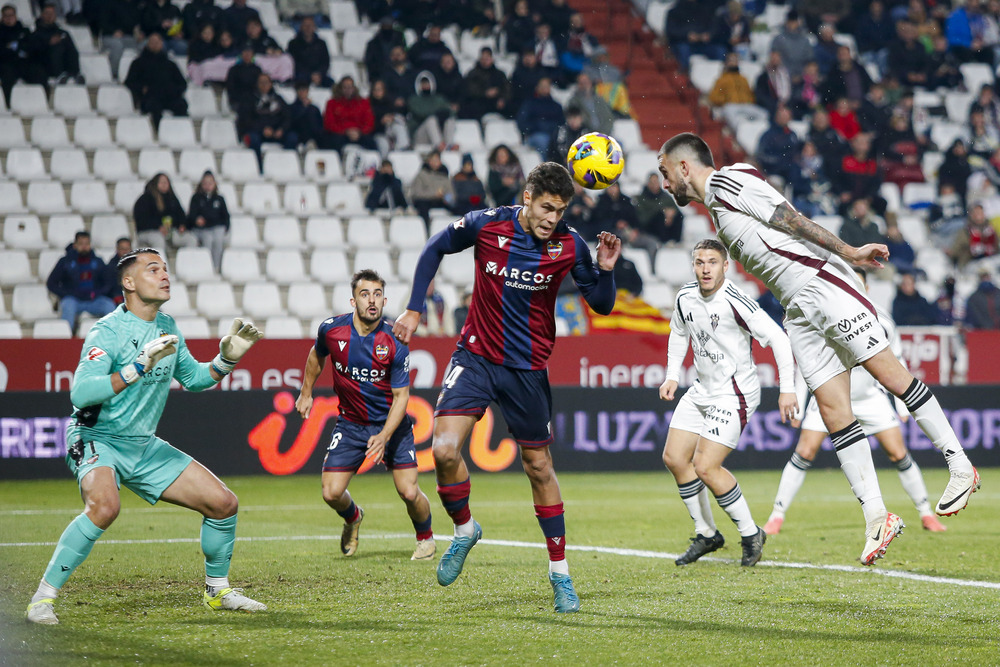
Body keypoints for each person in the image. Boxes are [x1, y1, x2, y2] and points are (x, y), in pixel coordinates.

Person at [657, 132, 979, 566]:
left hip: (823, 286)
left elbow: (790, 219)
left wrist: (850, 251)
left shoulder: (727, 182)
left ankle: (959, 464)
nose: (662, 183)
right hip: (798, 309)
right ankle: (877, 516)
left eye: (663, 172)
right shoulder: (716, 208)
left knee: (889, 374)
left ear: (682, 167)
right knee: (832, 411)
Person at [392, 162, 621, 613]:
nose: (552, 219)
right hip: (475, 357)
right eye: (546, 207)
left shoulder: (570, 244)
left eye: (560, 210)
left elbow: (602, 304)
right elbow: (435, 247)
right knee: (442, 451)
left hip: (528, 368)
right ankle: (464, 531)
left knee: (538, 466)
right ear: (528, 197)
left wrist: (606, 270)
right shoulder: (487, 224)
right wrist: (414, 309)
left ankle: (560, 575)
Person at [25, 248, 265, 625]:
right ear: (129, 282)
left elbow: (194, 380)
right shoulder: (108, 330)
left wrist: (226, 360)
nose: (164, 275)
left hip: (141, 444)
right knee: (105, 506)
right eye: (153, 269)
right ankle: (42, 599)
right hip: (95, 435)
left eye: (166, 268)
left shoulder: (168, 327)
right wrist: (137, 367)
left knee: (223, 504)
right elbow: (81, 394)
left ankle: (217, 591)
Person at [764, 268, 948, 536]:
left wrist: (901, 405)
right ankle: (776, 517)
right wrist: (801, 407)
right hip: (829, 399)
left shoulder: (881, 320)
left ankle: (926, 514)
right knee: (804, 452)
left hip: (869, 398)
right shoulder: (821, 315)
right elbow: (807, 365)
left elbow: (897, 362)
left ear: (866, 289)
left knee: (899, 454)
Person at [660, 239, 796, 567]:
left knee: (706, 466)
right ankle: (707, 533)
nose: (705, 268)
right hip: (701, 389)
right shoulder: (685, 296)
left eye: (711, 262)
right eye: (699, 262)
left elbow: (778, 337)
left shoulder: (736, 301)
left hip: (734, 393)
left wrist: (787, 389)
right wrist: (672, 375)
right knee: (675, 458)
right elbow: (679, 333)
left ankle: (751, 534)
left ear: (725, 266)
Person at [295, 269, 435, 562]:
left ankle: (425, 538)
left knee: (408, 492)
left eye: (378, 294)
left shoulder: (395, 341)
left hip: (392, 428)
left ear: (385, 301)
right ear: (353, 300)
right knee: (331, 493)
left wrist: (384, 436)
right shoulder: (332, 330)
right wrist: (306, 391)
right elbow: (315, 355)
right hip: (351, 425)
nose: (372, 300)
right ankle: (353, 517)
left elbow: (402, 398)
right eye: (365, 294)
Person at [47, 231, 116, 336]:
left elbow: (108, 283)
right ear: (75, 245)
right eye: (81, 244)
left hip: (94, 300)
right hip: (74, 300)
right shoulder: (65, 262)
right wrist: (67, 294)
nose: (84, 247)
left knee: (109, 305)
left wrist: (96, 293)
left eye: (87, 244)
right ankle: (66, 338)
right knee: (67, 305)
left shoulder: (98, 261)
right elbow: (51, 283)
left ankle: (111, 339)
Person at [124, 33, 188, 130]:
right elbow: (129, 82)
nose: (155, 45)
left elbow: (182, 83)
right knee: (154, 107)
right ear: (147, 44)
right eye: (152, 42)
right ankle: (159, 132)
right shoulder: (138, 63)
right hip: (150, 97)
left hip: (169, 96)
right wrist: (142, 89)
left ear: (161, 44)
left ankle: (181, 131)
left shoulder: (170, 64)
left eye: (157, 42)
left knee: (181, 105)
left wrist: (174, 90)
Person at [238, 73, 298, 168]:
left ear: (271, 84)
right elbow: (246, 120)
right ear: (257, 84)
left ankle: (285, 166)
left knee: (292, 137)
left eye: (266, 82)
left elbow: (288, 117)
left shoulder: (278, 99)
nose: (264, 85)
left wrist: (282, 129)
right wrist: (262, 129)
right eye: (261, 82)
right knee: (252, 139)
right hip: (258, 133)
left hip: (277, 132)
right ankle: (259, 168)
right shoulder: (250, 100)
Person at [133, 173, 197, 251]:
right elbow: (142, 220)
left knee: (191, 239)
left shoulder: (172, 198)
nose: (164, 185)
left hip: (170, 232)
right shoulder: (145, 199)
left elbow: (181, 214)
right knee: (159, 240)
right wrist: (158, 227)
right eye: (161, 182)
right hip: (148, 232)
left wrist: (182, 225)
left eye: (166, 182)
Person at [187, 171, 230, 272]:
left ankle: (216, 266)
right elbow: (191, 216)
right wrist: (196, 220)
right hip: (203, 229)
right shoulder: (196, 198)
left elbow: (225, 216)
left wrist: (226, 227)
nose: (208, 186)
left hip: (216, 227)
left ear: (214, 184)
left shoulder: (219, 199)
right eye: (205, 183)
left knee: (218, 239)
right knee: (208, 239)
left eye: (210, 183)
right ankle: (207, 266)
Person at [288, 15, 331, 86]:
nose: (308, 28)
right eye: (305, 25)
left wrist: (319, 73)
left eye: (310, 25)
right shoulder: (293, 43)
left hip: (319, 75)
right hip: (301, 75)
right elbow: (292, 62)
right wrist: (309, 75)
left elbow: (325, 61)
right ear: (301, 27)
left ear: (314, 27)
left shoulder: (321, 43)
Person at [105, 237, 133, 305]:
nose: (125, 252)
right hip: (119, 298)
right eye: (122, 249)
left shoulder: (138, 263)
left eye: (127, 249)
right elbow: (110, 286)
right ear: (117, 249)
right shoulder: (111, 266)